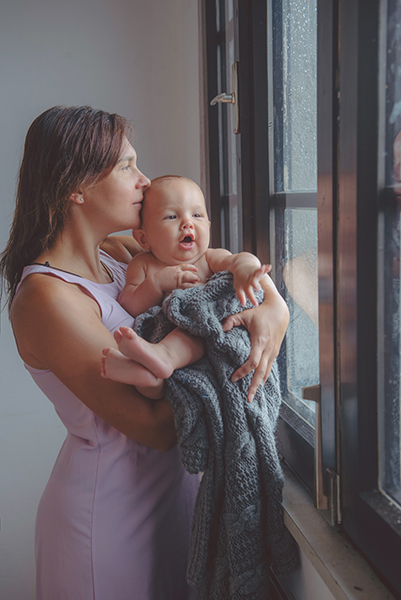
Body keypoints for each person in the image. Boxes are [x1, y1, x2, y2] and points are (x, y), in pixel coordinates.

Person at [0, 105, 289, 600]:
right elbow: (153, 426)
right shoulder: (46, 296)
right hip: (112, 515)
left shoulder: (119, 255)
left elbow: (213, 275)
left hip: (175, 494)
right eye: (128, 166)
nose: (145, 180)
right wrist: (214, 346)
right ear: (77, 187)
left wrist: (275, 311)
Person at [101, 175, 271, 403]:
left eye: (197, 215)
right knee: (152, 387)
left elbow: (238, 260)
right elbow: (129, 305)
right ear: (144, 238)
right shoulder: (143, 264)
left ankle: (162, 359)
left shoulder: (209, 258)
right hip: (160, 340)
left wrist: (247, 270)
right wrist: (157, 283)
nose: (188, 223)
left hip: (204, 338)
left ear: (208, 226)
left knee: (197, 325)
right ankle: (146, 378)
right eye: (172, 216)